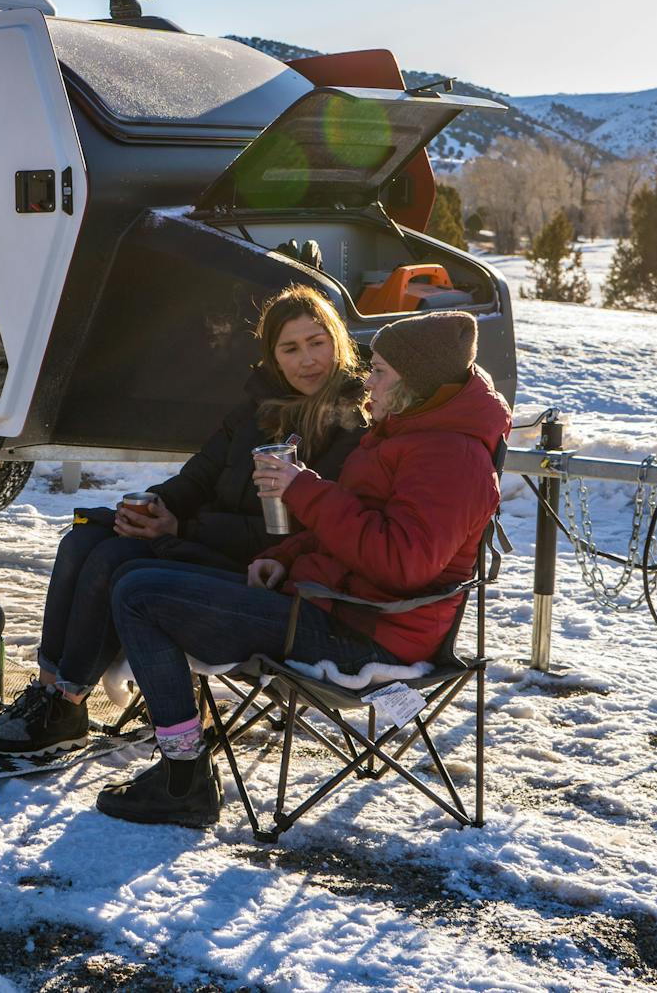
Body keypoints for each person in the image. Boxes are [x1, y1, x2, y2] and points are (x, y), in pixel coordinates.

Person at [96, 310, 509, 826]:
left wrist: (302, 489)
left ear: (412, 383)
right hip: (328, 603)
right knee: (132, 575)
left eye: (378, 370)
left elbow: (401, 563)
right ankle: (180, 764)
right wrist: (281, 558)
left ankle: (184, 778)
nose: (368, 380)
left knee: (140, 595)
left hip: (368, 634)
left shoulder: (451, 455)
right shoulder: (407, 433)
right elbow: (353, 523)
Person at [0, 287, 367, 754]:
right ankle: (50, 688)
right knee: (83, 538)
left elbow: (297, 534)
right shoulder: (256, 409)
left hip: (262, 565)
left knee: (114, 558)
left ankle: (68, 699)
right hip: (206, 541)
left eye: (317, 342)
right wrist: (153, 507)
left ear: (338, 343)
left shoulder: (352, 423)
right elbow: (200, 474)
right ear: (274, 359)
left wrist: (181, 530)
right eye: (291, 348)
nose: (307, 360)